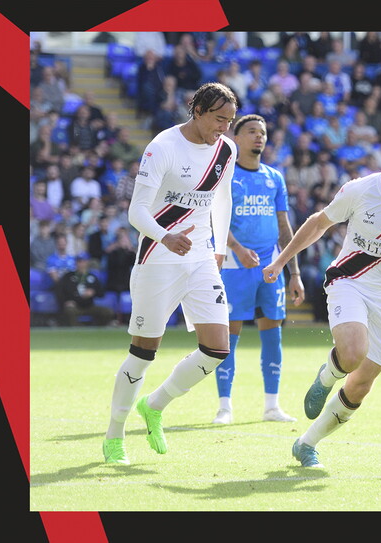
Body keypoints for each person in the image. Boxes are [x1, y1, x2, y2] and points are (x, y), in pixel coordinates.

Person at [261, 125, 381, 468]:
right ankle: (326, 377)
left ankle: (306, 443)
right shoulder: (360, 190)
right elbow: (319, 223)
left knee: (361, 384)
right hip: (350, 280)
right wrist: (281, 261)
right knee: (352, 352)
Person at [102, 82, 239, 465]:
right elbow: (136, 212)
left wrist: (220, 250)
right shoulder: (162, 147)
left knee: (217, 349)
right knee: (144, 353)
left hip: (199, 260)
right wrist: (165, 237)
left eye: (229, 120)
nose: (224, 128)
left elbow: (222, 198)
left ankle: (155, 405)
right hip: (158, 261)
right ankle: (115, 435)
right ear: (197, 111)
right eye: (218, 119)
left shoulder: (226, 150)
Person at [212, 115, 306, 425]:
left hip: (270, 266)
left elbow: (283, 225)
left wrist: (293, 272)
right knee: (229, 336)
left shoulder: (274, 178)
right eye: (251, 131)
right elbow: (215, 221)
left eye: (263, 132)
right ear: (235, 138)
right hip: (235, 265)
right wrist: (237, 248)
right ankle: (224, 407)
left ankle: (272, 406)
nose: (258, 137)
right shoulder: (225, 177)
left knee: (273, 336)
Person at [55, 254, 115, 326]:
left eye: (83, 261)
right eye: (79, 261)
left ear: (87, 263)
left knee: (107, 312)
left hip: (89, 306)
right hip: (75, 306)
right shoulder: (68, 276)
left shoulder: (92, 277)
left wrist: (93, 292)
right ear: (76, 263)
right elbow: (60, 291)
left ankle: (96, 327)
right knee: (69, 311)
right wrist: (66, 302)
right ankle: (78, 328)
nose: (81, 264)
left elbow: (101, 293)